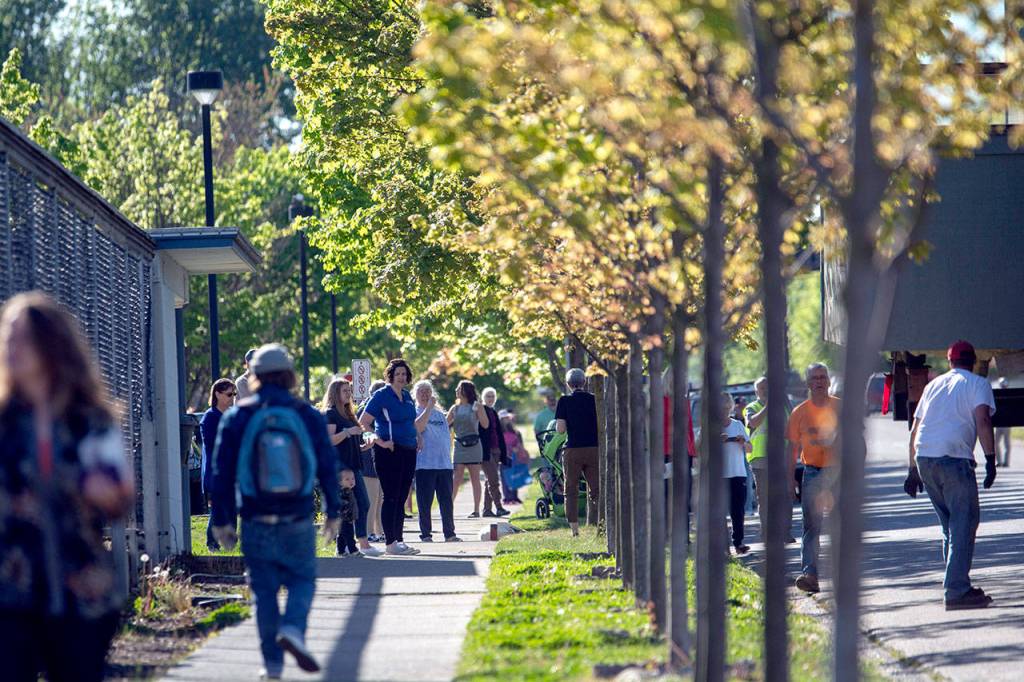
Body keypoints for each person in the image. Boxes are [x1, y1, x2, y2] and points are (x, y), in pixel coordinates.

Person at [0, 292, 135, 682]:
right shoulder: (4, 422)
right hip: (10, 590)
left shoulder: (89, 419)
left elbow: (122, 493)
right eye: (7, 337)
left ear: (51, 345)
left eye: (21, 337)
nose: (11, 347)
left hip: (81, 593)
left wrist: (107, 491)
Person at [210, 343, 342, 678]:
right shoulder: (307, 414)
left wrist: (223, 521)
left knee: (264, 591)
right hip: (297, 515)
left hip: (255, 517)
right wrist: (333, 510)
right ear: (290, 374)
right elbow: (327, 464)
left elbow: (221, 472)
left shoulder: (239, 416)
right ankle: (294, 629)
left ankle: (272, 668)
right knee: (302, 579)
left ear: (253, 375)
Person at [903, 340, 997, 610]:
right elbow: (983, 420)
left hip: (925, 457)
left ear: (950, 361)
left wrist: (912, 470)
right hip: (953, 458)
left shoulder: (933, 386)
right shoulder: (978, 384)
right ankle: (956, 590)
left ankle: (956, 584)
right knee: (964, 523)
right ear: (974, 361)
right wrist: (990, 461)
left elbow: (914, 431)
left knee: (949, 526)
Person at [787, 363, 841, 594]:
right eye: (814, 378)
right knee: (811, 526)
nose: (819, 381)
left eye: (822, 377)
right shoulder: (799, 412)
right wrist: (790, 479)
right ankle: (810, 574)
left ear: (829, 381)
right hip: (811, 473)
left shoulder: (841, 407)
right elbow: (791, 449)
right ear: (808, 383)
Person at [358, 359, 421, 556]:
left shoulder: (407, 396)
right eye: (398, 373)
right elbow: (363, 423)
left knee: (402, 496)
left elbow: (411, 422)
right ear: (391, 375)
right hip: (389, 452)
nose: (402, 377)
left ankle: (399, 541)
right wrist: (380, 442)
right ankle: (390, 543)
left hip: (409, 450)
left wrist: (418, 437)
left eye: (404, 374)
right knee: (391, 496)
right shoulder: (381, 395)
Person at [321, 377, 383, 557]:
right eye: (345, 391)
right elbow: (329, 440)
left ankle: (351, 545)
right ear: (335, 393)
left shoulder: (349, 413)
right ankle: (356, 544)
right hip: (341, 466)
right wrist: (347, 432)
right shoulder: (331, 413)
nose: (348, 393)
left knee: (358, 505)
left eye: (349, 390)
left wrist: (364, 445)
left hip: (354, 463)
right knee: (355, 505)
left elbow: (353, 439)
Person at [744, 377, 796, 545]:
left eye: (768, 387)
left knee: (786, 496)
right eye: (762, 388)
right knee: (765, 499)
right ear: (756, 392)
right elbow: (752, 422)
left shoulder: (784, 407)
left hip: (781, 457)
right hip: (760, 460)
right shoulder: (751, 408)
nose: (766, 390)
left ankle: (785, 532)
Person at [413, 380, 460, 542]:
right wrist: (428, 409)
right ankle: (426, 534)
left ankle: (450, 533)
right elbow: (418, 428)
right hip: (425, 465)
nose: (425, 394)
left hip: (444, 464)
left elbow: (445, 437)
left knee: (446, 502)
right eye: (421, 392)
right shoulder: (415, 411)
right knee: (425, 503)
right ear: (416, 395)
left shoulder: (440, 415)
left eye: (428, 391)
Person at [556, 368, 600, 536]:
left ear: (568, 384)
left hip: (573, 449)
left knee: (571, 489)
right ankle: (600, 525)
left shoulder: (564, 401)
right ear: (584, 382)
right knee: (596, 488)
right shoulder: (595, 400)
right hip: (593, 448)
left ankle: (575, 530)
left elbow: (560, 430)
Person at [200, 378, 237, 551]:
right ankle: (212, 543)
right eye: (229, 394)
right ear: (217, 394)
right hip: (217, 471)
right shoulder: (210, 417)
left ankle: (231, 544)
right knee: (218, 509)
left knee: (232, 507)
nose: (232, 398)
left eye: (234, 394)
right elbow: (213, 445)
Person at [450, 380, 488, 517]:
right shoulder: (455, 408)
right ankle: (449, 508)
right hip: (459, 445)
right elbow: (444, 424)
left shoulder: (476, 406)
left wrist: (480, 411)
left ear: (466, 391)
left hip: (474, 445)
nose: (456, 390)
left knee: (475, 478)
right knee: (456, 478)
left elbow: (485, 425)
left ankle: (476, 510)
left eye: (459, 388)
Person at [721, 393, 752, 554]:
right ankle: (721, 546)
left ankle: (738, 543)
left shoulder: (738, 425)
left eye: (727, 407)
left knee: (737, 511)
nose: (724, 411)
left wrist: (743, 442)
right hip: (719, 476)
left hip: (738, 473)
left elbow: (750, 448)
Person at [359, 380, 387, 542]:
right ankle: (368, 532)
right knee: (370, 500)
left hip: (380, 460)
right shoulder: (366, 410)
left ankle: (380, 531)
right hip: (368, 461)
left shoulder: (381, 410)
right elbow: (365, 433)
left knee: (380, 500)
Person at [479, 386, 510, 518]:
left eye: (492, 396)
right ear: (483, 398)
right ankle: (499, 507)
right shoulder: (481, 410)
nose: (490, 398)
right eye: (488, 396)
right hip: (485, 451)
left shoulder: (493, 411)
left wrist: (503, 452)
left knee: (489, 480)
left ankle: (487, 509)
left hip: (496, 449)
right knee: (493, 479)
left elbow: (499, 433)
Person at [500, 409, 528, 504]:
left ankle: (514, 497)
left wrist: (518, 448)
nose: (507, 420)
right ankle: (507, 498)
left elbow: (519, 443)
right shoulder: (499, 432)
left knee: (515, 476)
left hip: (515, 457)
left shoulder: (514, 431)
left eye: (508, 418)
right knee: (505, 478)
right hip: (504, 457)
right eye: (505, 418)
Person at [336, 469, 360, 557]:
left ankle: (341, 551)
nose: (351, 481)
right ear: (340, 482)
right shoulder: (343, 493)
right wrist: (348, 517)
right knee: (349, 535)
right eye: (347, 479)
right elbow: (343, 507)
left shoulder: (349, 491)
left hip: (347, 518)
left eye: (353, 478)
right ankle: (353, 550)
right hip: (345, 519)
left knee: (342, 535)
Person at [995, 377, 1011, 467]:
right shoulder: (998, 394)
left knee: (1006, 443)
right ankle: (999, 461)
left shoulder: (1009, 395)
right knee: (995, 443)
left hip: (1007, 423)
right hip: (999, 423)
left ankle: (1006, 461)